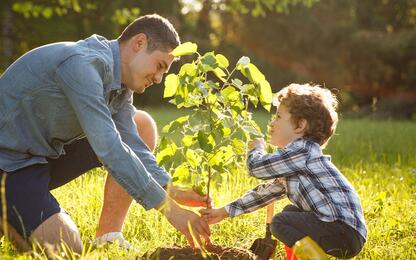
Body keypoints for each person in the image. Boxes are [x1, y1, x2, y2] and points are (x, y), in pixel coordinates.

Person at [0, 14, 211, 253]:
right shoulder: (82, 65)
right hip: (8, 163)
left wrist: (171, 189)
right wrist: (172, 211)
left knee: (141, 125)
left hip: (39, 156)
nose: (158, 78)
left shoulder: (120, 84)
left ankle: (108, 237)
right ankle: (9, 216)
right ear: (139, 43)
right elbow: (110, 148)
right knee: (68, 249)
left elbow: (133, 144)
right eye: (160, 66)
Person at [200, 83, 367, 259]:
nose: (272, 123)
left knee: (280, 222)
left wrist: (256, 149)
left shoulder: (302, 150)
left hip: (342, 229)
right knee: (289, 213)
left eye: (278, 117)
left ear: (300, 125)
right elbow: (264, 194)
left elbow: (256, 168)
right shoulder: (297, 161)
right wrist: (223, 211)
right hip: (344, 231)